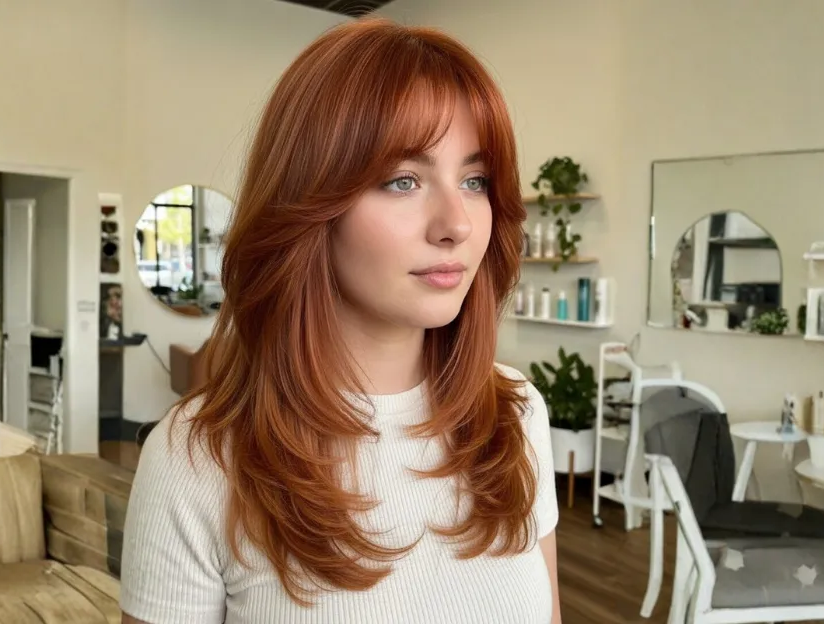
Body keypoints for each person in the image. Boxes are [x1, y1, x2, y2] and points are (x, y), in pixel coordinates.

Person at [120, 17, 560, 624]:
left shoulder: (515, 416)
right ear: (310, 204)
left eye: (475, 180)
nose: (456, 224)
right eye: (403, 181)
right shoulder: (196, 460)